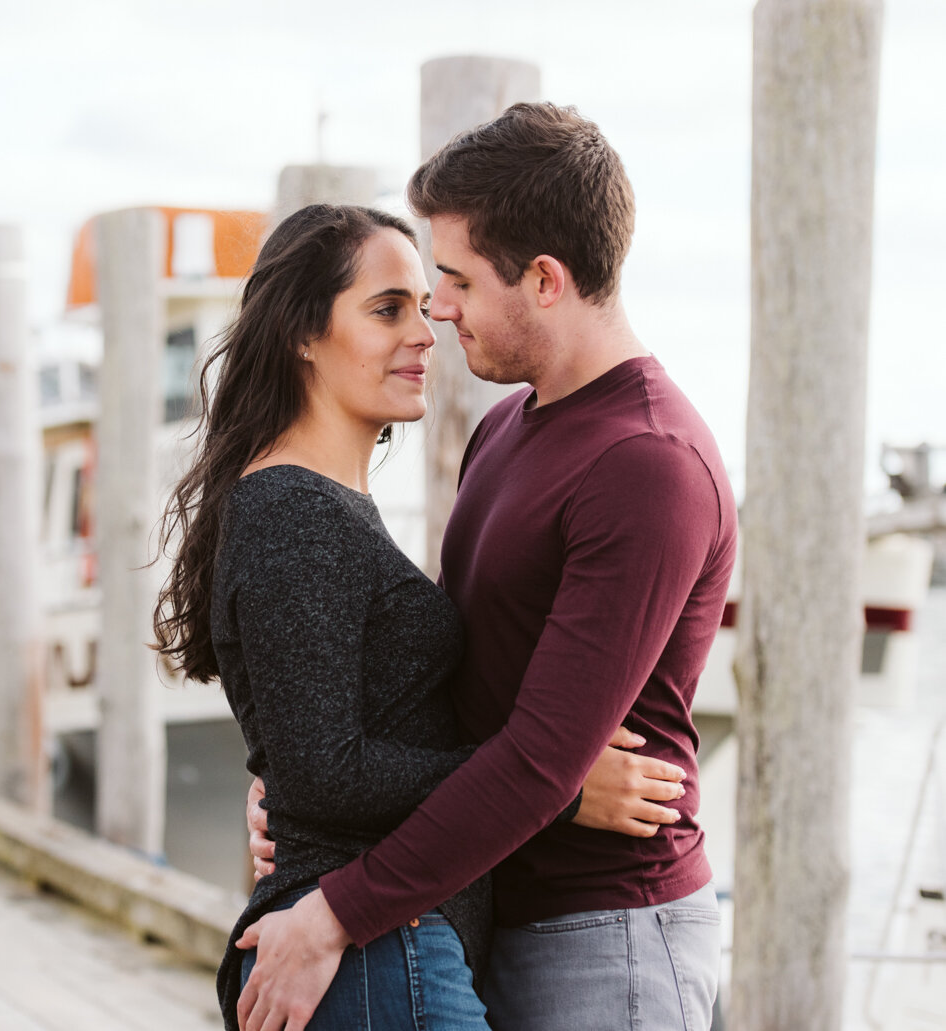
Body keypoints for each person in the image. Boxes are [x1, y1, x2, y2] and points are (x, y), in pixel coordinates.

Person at [235, 103, 737, 1031]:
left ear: (545, 280)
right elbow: (457, 690)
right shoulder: (507, 427)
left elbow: (546, 760)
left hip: (604, 935)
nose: (439, 307)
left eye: (457, 280)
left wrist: (336, 910)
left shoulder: (648, 465)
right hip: (474, 902)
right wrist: (302, 788)